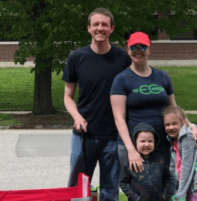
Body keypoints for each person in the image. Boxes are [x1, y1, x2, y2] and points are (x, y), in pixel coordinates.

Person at [62, 7, 131, 201]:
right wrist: (77, 117)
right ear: (89, 28)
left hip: (114, 136)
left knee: (110, 190)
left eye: (104, 25)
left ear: (112, 28)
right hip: (84, 135)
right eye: (96, 24)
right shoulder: (76, 57)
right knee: (77, 189)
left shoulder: (123, 58)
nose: (100, 28)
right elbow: (68, 97)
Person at [110, 31, 197, 173]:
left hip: (161, 143)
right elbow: (119, 117)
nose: (138, 51)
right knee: (138, 190)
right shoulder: (121, 79)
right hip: (135, 145)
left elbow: (174, 108)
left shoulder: (162, 76)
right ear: (128, 50)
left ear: (149, 50)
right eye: (133, 47)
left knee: (164, 188)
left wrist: (191, 126)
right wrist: (131, 149)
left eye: (142, 47)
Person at [163, 106, 197, 201]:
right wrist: (174, 190)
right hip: (186, 183)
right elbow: (173, 168)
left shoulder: (187, 137)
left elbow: (186, 167)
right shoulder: (172, 140)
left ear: (182, 122)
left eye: (174, 123)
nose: (171, 127)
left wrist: (181, 193)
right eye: (167, 124)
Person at [119, 122, 174, 201]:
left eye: (150, 141)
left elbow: (167, 177)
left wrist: (164, 194)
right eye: (142, 141)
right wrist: (134, 197)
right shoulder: (129, 161)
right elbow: (123, 182)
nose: (147, 144)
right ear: (135, 142)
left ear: (155, 142)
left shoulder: (160, 159)